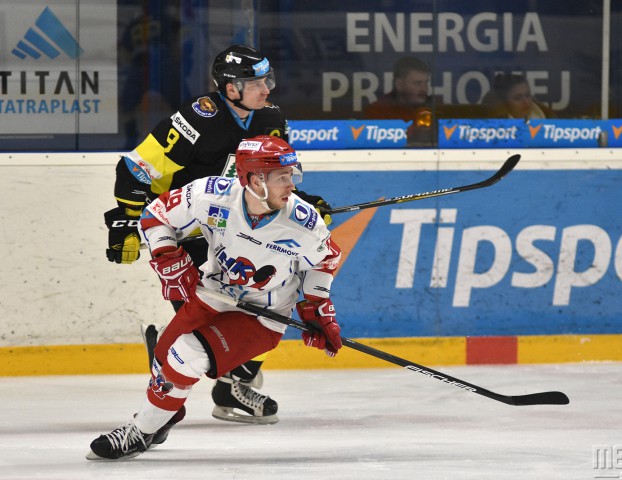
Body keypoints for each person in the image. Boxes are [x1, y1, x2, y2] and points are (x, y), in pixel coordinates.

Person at [103, 45, 332, 434]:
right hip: (183, 227)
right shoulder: (197, 119)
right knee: (201, 315)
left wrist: (305, 202)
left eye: (267, 80)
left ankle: (230, 388)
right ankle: (165, 383)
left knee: (269, 297)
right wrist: (126, 222)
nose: (267, 89)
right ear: (230, 89)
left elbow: (267, 177)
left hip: (232, 228)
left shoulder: (270, 118)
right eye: (256, 83)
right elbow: (133, 170)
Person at [88, 136, 343, 461]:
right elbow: (157, 214)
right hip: (214, 294)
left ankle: (139, 432)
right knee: (163, 361)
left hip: (262, 314)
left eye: (292, 175)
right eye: (282, 177)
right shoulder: (211, 194)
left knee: (185, 354)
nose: (291, 185)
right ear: (255, 180)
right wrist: (167, 255)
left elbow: (326, 259)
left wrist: (317, 306)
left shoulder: (303, 222)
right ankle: (164, 418)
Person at [364, 56, 439, 145]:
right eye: (417, 83)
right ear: (399, 85)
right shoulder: (378, 110)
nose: (424, 89)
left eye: (426, 83)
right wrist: (414, 134)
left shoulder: (437, 107)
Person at [481, 73, 556, 120]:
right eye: (517, 98)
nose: (526, 102)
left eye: (527, 95)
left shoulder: (547, 118)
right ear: (504, 102)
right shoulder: (496, 128)